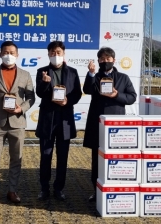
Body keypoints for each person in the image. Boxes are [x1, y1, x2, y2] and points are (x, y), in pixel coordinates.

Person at [0, 41, 35, 204]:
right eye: (5, 52)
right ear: (0, 54)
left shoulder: (25, 74)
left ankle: (12, 190)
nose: (8, 55)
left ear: (17, 55)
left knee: (16, 159)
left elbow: (31, 98)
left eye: (11, 52)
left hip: (17, 122)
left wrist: (21, 109)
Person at [83, 47, 137, 201]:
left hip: (116, 124)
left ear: (114, 60)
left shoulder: (123, 78)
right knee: (97, 159)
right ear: (98, 61)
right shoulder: (95, 76)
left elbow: (132, 97)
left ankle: (116, 189)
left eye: (108, 58)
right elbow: (87, 90)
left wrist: (117, 95)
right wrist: (91, 74)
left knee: (116, 157)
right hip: (97, 123)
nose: (105, 61)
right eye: (102, 59)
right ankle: (96, 191)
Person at [35, 41, 82, 201]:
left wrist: (67, 101)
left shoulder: (73, 72)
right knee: (45, 156)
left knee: (62, 157)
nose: (56, 55)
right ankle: (44, 188)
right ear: (48, 54)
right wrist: (45, 82)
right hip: (47, 120)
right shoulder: (42, 71)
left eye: (58, 52)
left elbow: (77, 93)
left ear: (63, 53)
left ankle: (59, 188)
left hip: (65, 120)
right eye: (53, 53)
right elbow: (39, 93)